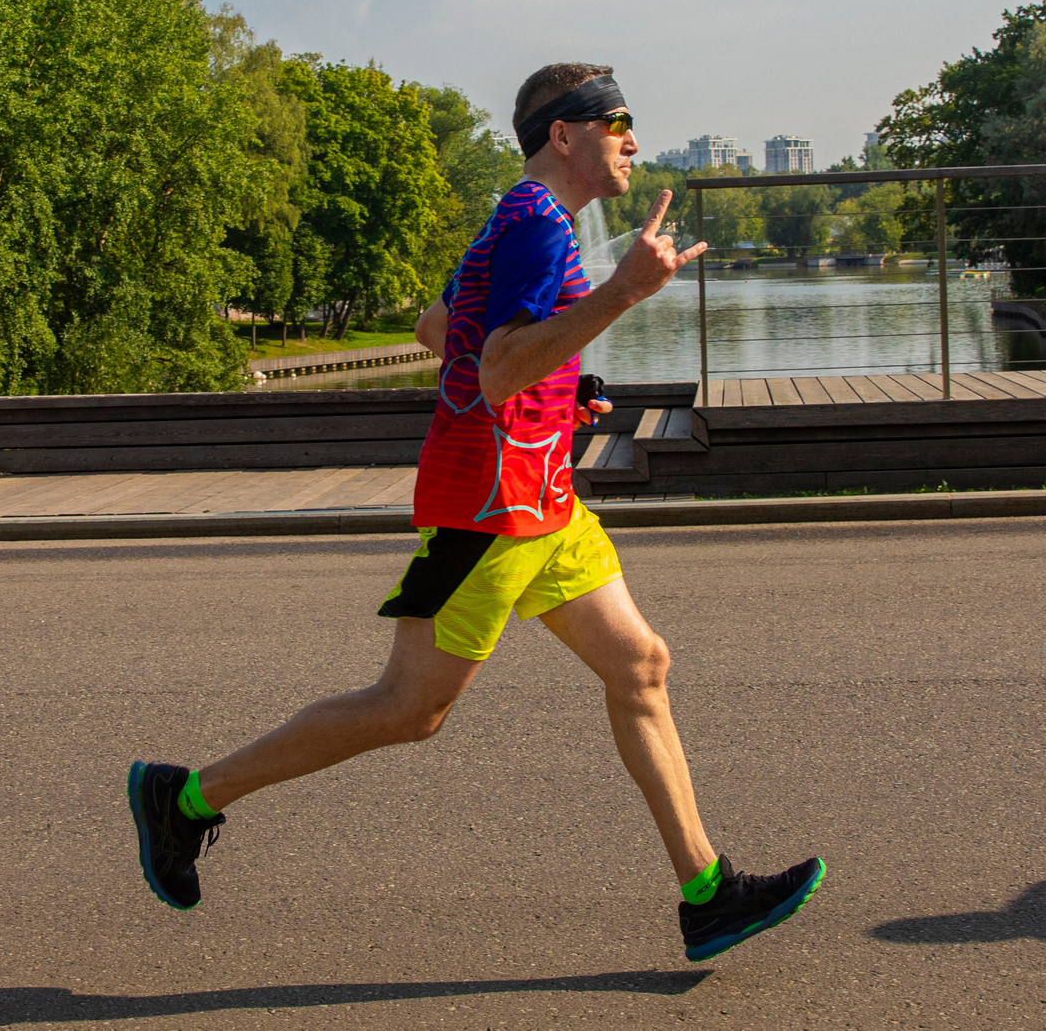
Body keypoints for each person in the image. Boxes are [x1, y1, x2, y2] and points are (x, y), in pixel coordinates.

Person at [129, 62, 826, 963]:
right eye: (615, 120)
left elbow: (440, 329)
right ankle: (185, 798)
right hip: (486, 511)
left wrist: (556, 397)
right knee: (409, 709)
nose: (633, 138)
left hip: (546, 501)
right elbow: (496, 366)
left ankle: (707, 891)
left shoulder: (524, 223)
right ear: (563, 135)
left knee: (641, 664)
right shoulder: (538, 225)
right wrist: (619, 295)